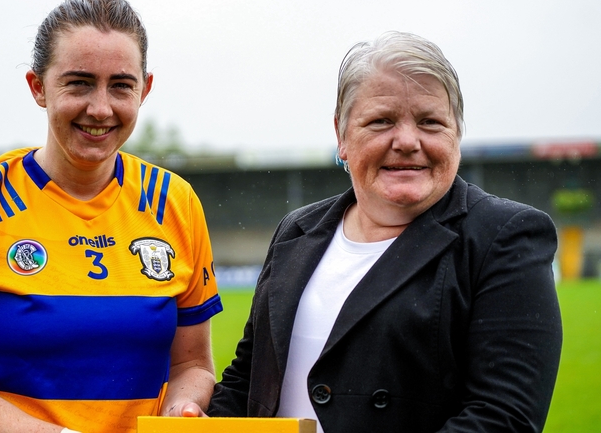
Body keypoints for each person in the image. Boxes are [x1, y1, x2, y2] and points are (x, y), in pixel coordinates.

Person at [207, 31, 562, 432]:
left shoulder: (504, 236)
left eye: (430, 122)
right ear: (341, 135)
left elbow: (503, 419)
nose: (408, 141)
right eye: (382, 121)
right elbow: (248, 380)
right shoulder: (296, 230)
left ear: (456, 133)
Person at [0, 0, 222, 433]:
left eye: (121, 86)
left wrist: (181, 410)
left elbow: (192, 364)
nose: (100, 108)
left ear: (145, 90)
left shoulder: (175, 203)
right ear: (38, 88)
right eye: (79, 82)